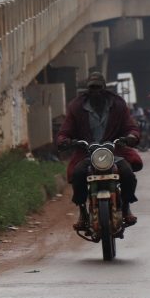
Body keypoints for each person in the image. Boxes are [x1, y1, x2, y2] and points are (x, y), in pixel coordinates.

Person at [56, 71, 143, 230]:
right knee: (78, 175)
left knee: (128, 174)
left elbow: (130, 126)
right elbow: (65, 130)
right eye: (92, 88)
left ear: (104, 88)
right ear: (87, 90)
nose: (95, 92)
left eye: (98, 87)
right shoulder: (76, 107)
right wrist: (64, 140)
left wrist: (131, 136)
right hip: (87, 153)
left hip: (114, 152)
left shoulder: (118, 105)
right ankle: (83, 211)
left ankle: (126, 207)